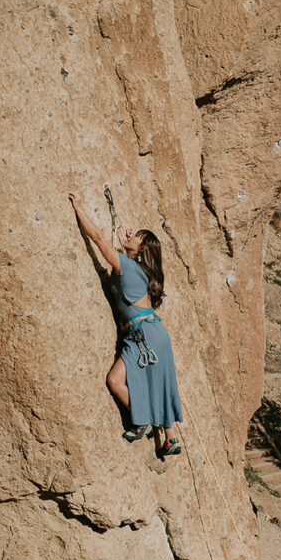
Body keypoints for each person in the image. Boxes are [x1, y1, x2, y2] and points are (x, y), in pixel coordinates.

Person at [68, 192, 183, 455]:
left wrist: (79, 208)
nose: (128, 236)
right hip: (156, 333)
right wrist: (132, 244)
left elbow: (97, 239)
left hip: (142, 335)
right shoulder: (141, 270)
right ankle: (170, 438)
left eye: (134, 237)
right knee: (162, 383)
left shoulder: (128, 268)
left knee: (115, 381)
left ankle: (141, 420)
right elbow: (132, 253)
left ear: (141, 250)